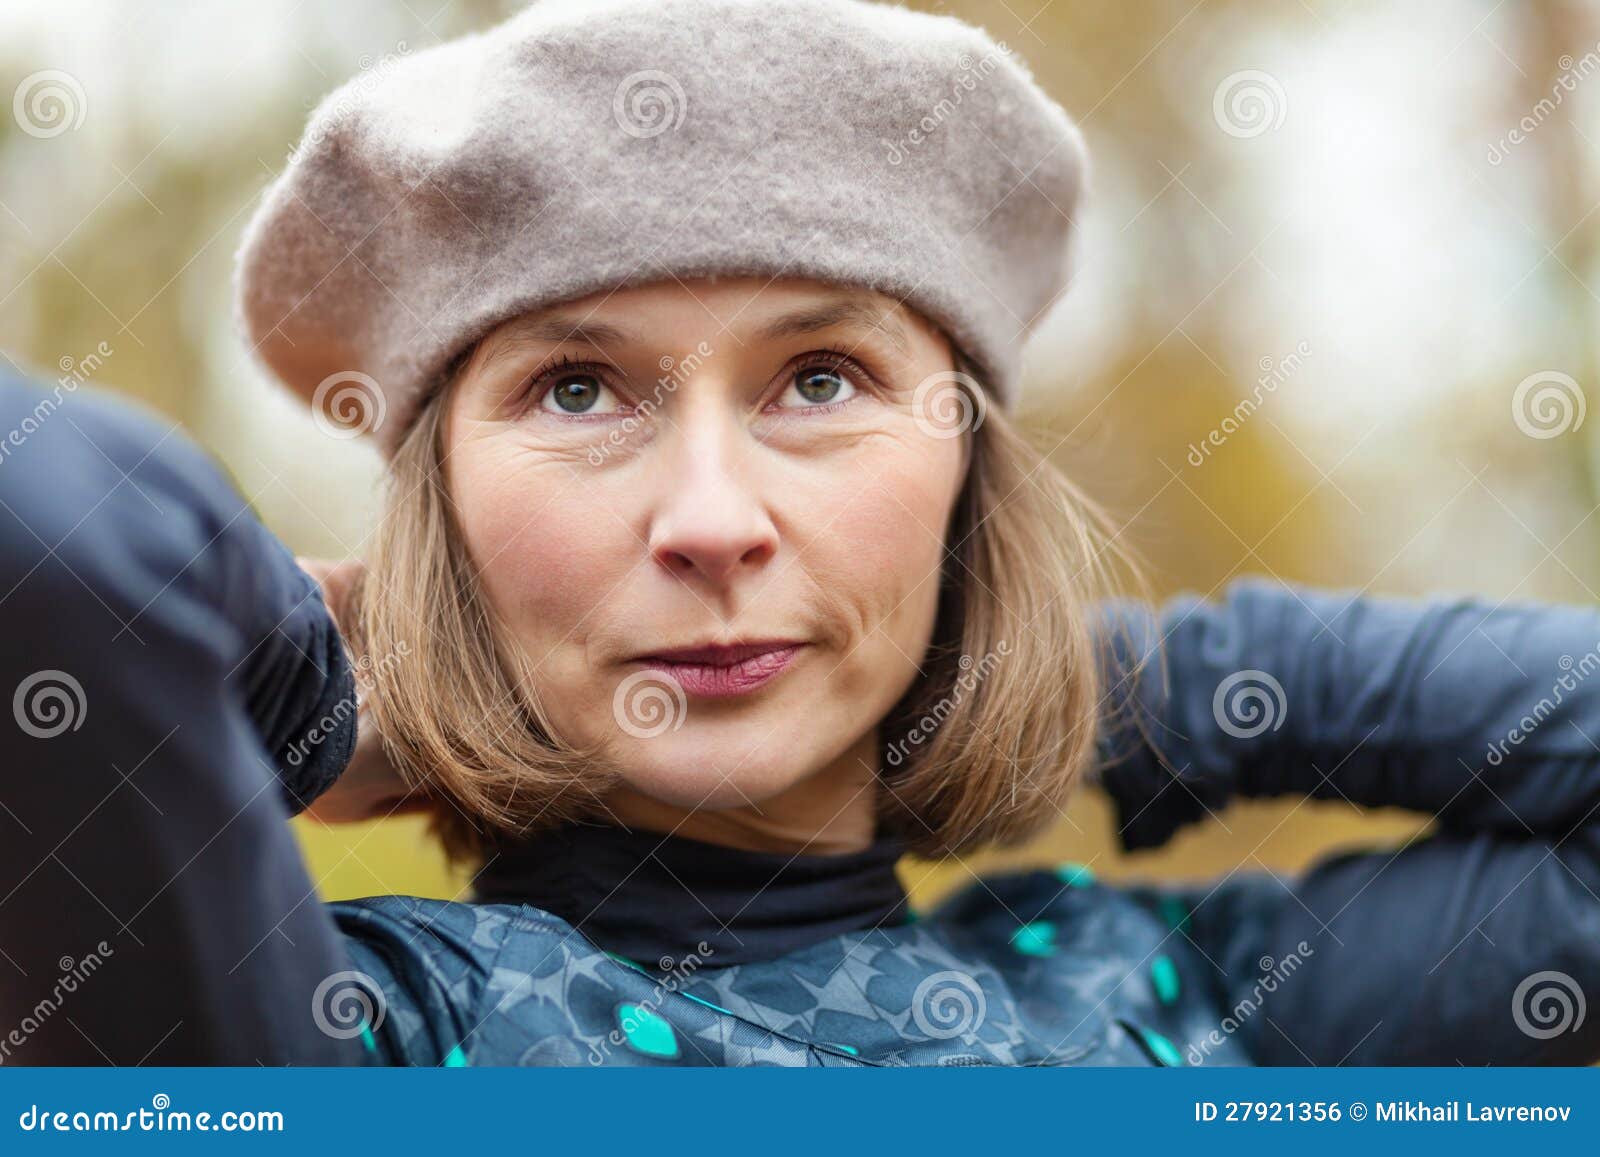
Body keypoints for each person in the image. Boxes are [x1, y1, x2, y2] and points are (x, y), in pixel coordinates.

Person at [1, 0, 1597, 1067]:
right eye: (576, 389)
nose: (711, 520)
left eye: (820, 379)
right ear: (446, 524)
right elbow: (60, 530)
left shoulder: (1204, 1014)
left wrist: (1062, 683)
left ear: (965, 480)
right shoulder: (367, 1040)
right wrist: (315, 691)